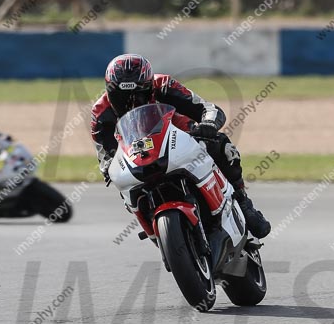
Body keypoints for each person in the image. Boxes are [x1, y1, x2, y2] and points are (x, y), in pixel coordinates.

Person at [91, 54, 271, 238]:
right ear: (109, 91)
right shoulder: (100, 112)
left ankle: (243, 202)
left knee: (221, 145)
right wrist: (109, 169)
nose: (131, 102)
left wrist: (208, 124)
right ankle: (156, 231)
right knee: (123, 187)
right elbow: (105, 153)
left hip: (179, 137)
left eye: (138, 95)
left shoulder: (164, 85)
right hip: (136, 154)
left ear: (149, 87)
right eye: (121, 97)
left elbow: (207, 108)